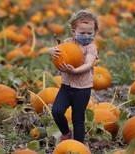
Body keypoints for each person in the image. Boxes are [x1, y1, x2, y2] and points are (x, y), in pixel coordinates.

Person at [48, 9, 99, 143]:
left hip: (82, 89)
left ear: (95, 33)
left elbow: (89, 63)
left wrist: (75, 71)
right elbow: (58, 54)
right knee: (57, 111)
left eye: (90, 33)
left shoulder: (91, 48)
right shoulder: (67, 42)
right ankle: (66, 133)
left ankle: (78, 145)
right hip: (66, 86)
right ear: (73, 31)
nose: (86, 36)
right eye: (82, 33)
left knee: (78, 119)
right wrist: (51, 51)